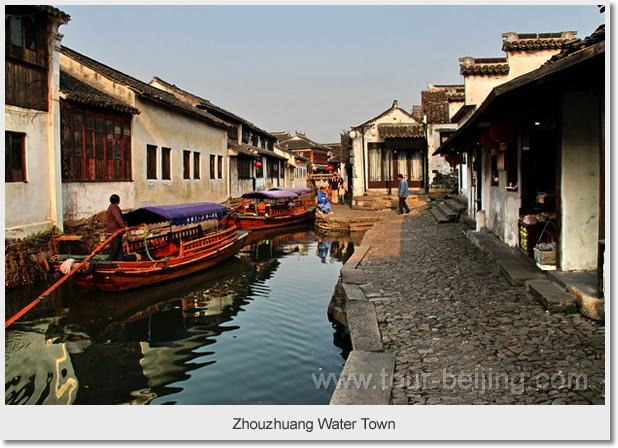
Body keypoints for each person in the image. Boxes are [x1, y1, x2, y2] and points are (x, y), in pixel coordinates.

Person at [106, 194, 127, 261]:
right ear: (118, 201)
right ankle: (111, 263)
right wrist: (124, 226)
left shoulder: (110, 207)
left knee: (117, 248)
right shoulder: (114, 208)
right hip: (115, 231)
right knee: (115, 249)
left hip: (111, 231)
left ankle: (120, 262)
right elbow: (118, 218)